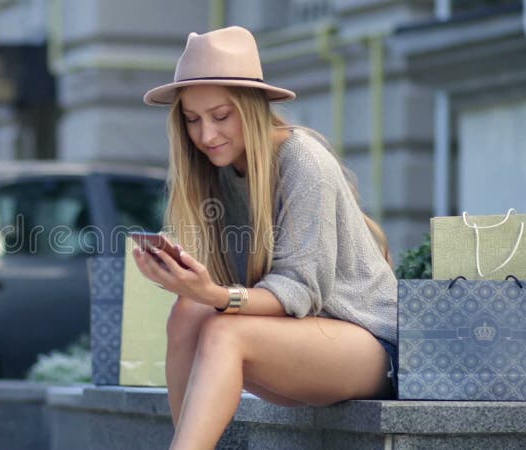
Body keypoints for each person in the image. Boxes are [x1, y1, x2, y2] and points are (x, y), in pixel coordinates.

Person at [132, 26, 398, 449]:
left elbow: (297, 292)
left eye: (221, 116)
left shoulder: (302, 160)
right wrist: (189, 285)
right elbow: (228, 294)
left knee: (222, 331)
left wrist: (214, 294)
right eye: (192, 120)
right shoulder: (214, 174)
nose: (205, 136)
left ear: (252, 108)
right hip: (297, 338)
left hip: (369, 343)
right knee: (188, 313)